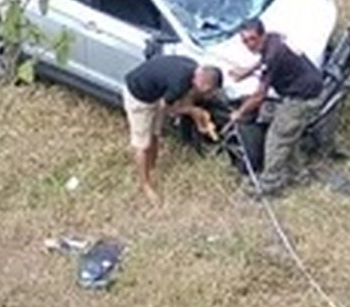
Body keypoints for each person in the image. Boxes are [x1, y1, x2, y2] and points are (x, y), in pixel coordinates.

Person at [230, 19, 324, 197]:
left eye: (253, 39)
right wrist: (246, 71)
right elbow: (264, 60)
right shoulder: (274, 39)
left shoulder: (273, 54)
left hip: (303, 97)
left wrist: (239, 112)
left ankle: (269, 183)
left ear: (262, 35)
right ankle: (298, 174)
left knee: (277, 137)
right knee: (288, 132)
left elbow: (259, 95)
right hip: (308, 88)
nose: (249, 44)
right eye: (245, 41)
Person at [123, 55, 223, 204]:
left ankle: (151, 167)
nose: (207, 95)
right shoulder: (180, 82)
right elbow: (170, 111)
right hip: (139, 96)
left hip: (157, 95)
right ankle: (145, 185)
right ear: (205, 85)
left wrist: (199, 119)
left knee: (155, 135)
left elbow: (184, 98)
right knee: (143, 145)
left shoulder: (193, 69)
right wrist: (193, 111)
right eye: (208, 91)